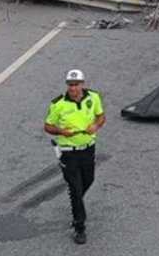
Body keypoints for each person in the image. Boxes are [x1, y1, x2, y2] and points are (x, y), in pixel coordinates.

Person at [44, 69, 106, 245]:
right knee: (75, 187)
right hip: (68, 150)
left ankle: (76, 202)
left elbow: (101, 117)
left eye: (76, 84)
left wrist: (96, 126)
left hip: (88, 147)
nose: (73, 88)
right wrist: (61, 131)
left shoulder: (93, 97)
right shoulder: (58, 104)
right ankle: (79, 226)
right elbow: (48, 126)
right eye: (70, 85)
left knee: (88, 180)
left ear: (82, 84)